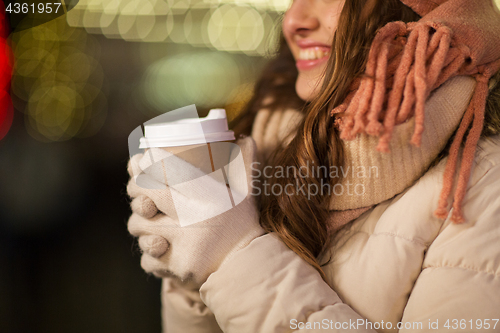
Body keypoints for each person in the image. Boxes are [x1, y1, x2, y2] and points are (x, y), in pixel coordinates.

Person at [127, 0, 500, 331]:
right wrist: (192, 265)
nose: (293, 20)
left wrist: (235, 259)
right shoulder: (274, 135)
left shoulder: (486, 182)